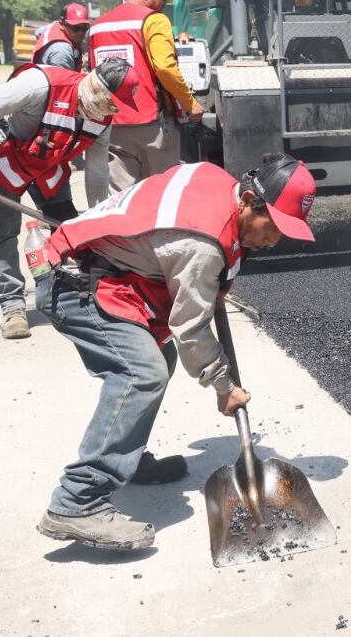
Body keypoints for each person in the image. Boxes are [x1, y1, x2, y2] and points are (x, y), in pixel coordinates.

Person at [33, 153, 317, 551]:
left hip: (111, 272)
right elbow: (191, 329)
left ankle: (125, 458)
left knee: (158, 357)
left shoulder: (216, 181)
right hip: (75, 284)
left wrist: (212, 284)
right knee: (142, 371)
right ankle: (76, 500)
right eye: (272, 226)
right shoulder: (202, 244)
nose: (274, 241)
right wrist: (223, 387)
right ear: (249, 201)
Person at [0, 57, 137, 340]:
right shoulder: (39, 85)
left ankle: (65, 297)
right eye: (108, 102)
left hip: (48, 166)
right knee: (4, 232)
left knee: (68, 229)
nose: (110, 110)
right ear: (96, 87)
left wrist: (96, 218)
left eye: (115, 106)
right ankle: (12, 305)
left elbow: (97, 168)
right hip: (6, 161)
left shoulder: (102, 119)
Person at [88, 0, 204, 193]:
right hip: (153, 125)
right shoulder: (154, 20)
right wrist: (190, 104)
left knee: (121, 196)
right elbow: (165, 67)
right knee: (161, 193)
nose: (165, 2)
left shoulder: (98, 26)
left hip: (112, 123)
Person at [31, 3, 90, 70]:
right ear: (63, 23)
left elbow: (38, 32)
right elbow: (66, 77)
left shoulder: (54, 26)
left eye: (84, 28)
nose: (81, 33)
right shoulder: (62, 50)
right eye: (75, 28)